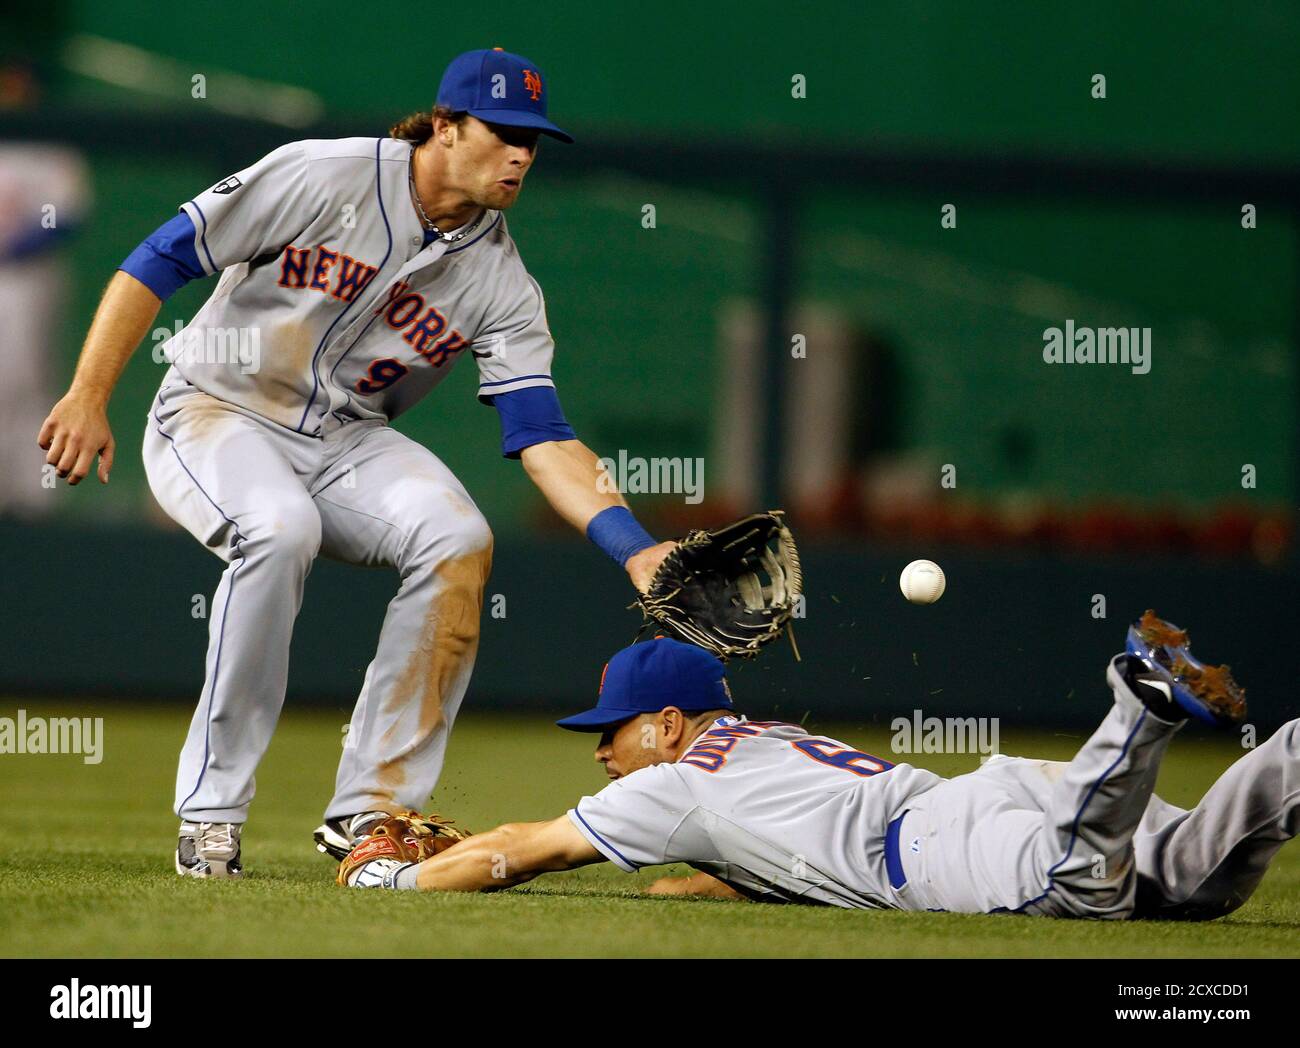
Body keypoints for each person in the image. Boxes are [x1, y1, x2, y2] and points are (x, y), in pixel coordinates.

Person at [36, 47, 673, 878]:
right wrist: (88, 395)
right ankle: (212, 812)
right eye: (503, 132)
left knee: (457, 537)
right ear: (445, 127)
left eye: (534, 139)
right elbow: (161, 257)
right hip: (213, 412)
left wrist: (635, 547)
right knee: (278, 527)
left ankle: (371, 811)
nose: (522, 154)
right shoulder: (323, 175)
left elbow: (543, 436)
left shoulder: (502, 282)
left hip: (345, 440)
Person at [340, 618, 1298, 921]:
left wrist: (396, 878)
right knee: (1193, 882)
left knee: (1080, 881)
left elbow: (523, 849)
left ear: (667, 725)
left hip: (945, 848)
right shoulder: (754, 744)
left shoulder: (674, 782)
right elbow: (759, 853)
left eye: (615, 729)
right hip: (976, 803)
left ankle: (1137, 707)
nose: (600, 748)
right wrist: (696, 886)